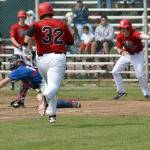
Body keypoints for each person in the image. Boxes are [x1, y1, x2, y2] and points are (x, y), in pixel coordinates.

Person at [24, 2, 74, 123]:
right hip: (57, 57)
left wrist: (28, 48)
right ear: (51, 12)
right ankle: (44, 98)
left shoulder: (36, 24)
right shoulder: (62, 24)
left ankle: (52, 115)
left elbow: (27, 37)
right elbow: (71, 42)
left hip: (41, 59)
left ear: (40, 13)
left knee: (48, 85)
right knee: (53, 87)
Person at [0, 54, 81, 111]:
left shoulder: (20, 69)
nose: (11, 63)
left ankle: (72, 103)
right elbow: (25, 85)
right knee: (24, 83)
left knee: (48, 102)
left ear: (18, 62)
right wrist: (20, 99)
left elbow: (3, 83)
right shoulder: (23, 68)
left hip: (44, 83)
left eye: (12, 61)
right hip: (42, 82)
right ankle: (20, 101)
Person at [112, 19, 150, 99]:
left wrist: (148, 37)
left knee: (139, 74)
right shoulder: (120, 36)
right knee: (115, 71)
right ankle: (121, 92)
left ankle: (147, 93)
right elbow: (118, 48)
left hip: (138, 55)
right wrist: (121, 52)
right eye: (122, 28)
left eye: (125, 28)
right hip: (127, 54)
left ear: (129, 28)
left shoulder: (134, 33)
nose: (123, 30)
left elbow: (141, 36)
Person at [9, 10, 32, 90]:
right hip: (18, 48)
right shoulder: (14, 27)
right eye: (21, 17)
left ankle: (27, 84)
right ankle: (12, 81)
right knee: (16, 65)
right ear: (19, 18)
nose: (22, 18)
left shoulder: (28, 27)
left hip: (25, 49)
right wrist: (18, 45)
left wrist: (29, 49)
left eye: (24, 17)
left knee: (28, 65)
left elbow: (30, 39)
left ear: (25, 17)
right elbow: (12, 38)